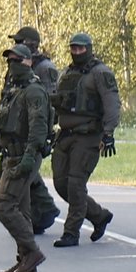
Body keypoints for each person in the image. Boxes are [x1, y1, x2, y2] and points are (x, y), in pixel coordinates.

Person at [0, 44, 51, 272]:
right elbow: (6, 126)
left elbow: (38, 128)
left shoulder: (34, 92)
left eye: (17, 60)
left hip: (23, 156)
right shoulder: (15, 91)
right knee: (22, 209)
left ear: (29, 62)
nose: (12, 65)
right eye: (9, 61)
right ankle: (25, 260)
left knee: (3, 205)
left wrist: (29, 158)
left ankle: (32, 252)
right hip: (10, 153)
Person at [50, 32, 120, 247]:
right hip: (65, 134)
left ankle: (71, 233)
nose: (77, 52)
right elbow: (58, 103)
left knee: (75, 185)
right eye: (74, 48)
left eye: (81, 48)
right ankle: (99, 216)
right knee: (61, 184)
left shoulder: (100, 73)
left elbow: (112, 103)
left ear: (89, 49)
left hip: (88, 136)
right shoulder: (67, 74)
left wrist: (108, 133)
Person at [5, 26, 61, 234]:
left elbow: (48, 102)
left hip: (32, 129)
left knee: (21, 176)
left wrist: (41, 133)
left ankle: (31, 221)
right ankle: (43, 211)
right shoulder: (18, 65)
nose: (15, 45)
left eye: (19, 41)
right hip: (16, 128)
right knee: (22, 176)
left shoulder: (44, 68)